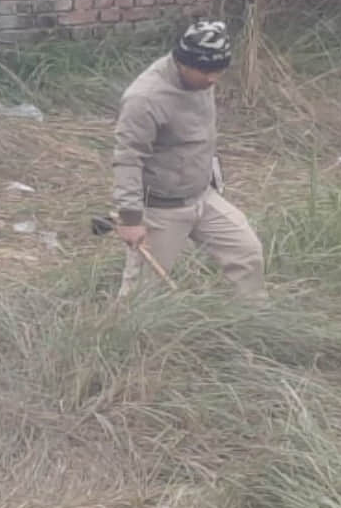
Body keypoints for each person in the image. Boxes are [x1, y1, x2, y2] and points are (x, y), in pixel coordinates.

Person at [110, 20, 266, 300]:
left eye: (219, 71)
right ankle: (124, 328)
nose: (213, 79)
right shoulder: (145, 99)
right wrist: (130, 218)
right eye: (206, 72)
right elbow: (128, 159)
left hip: (203, 196)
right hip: (161, 208)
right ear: (182, 63)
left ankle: (253, 316)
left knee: (247, 253)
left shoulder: (203, 78)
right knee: (143, 294)